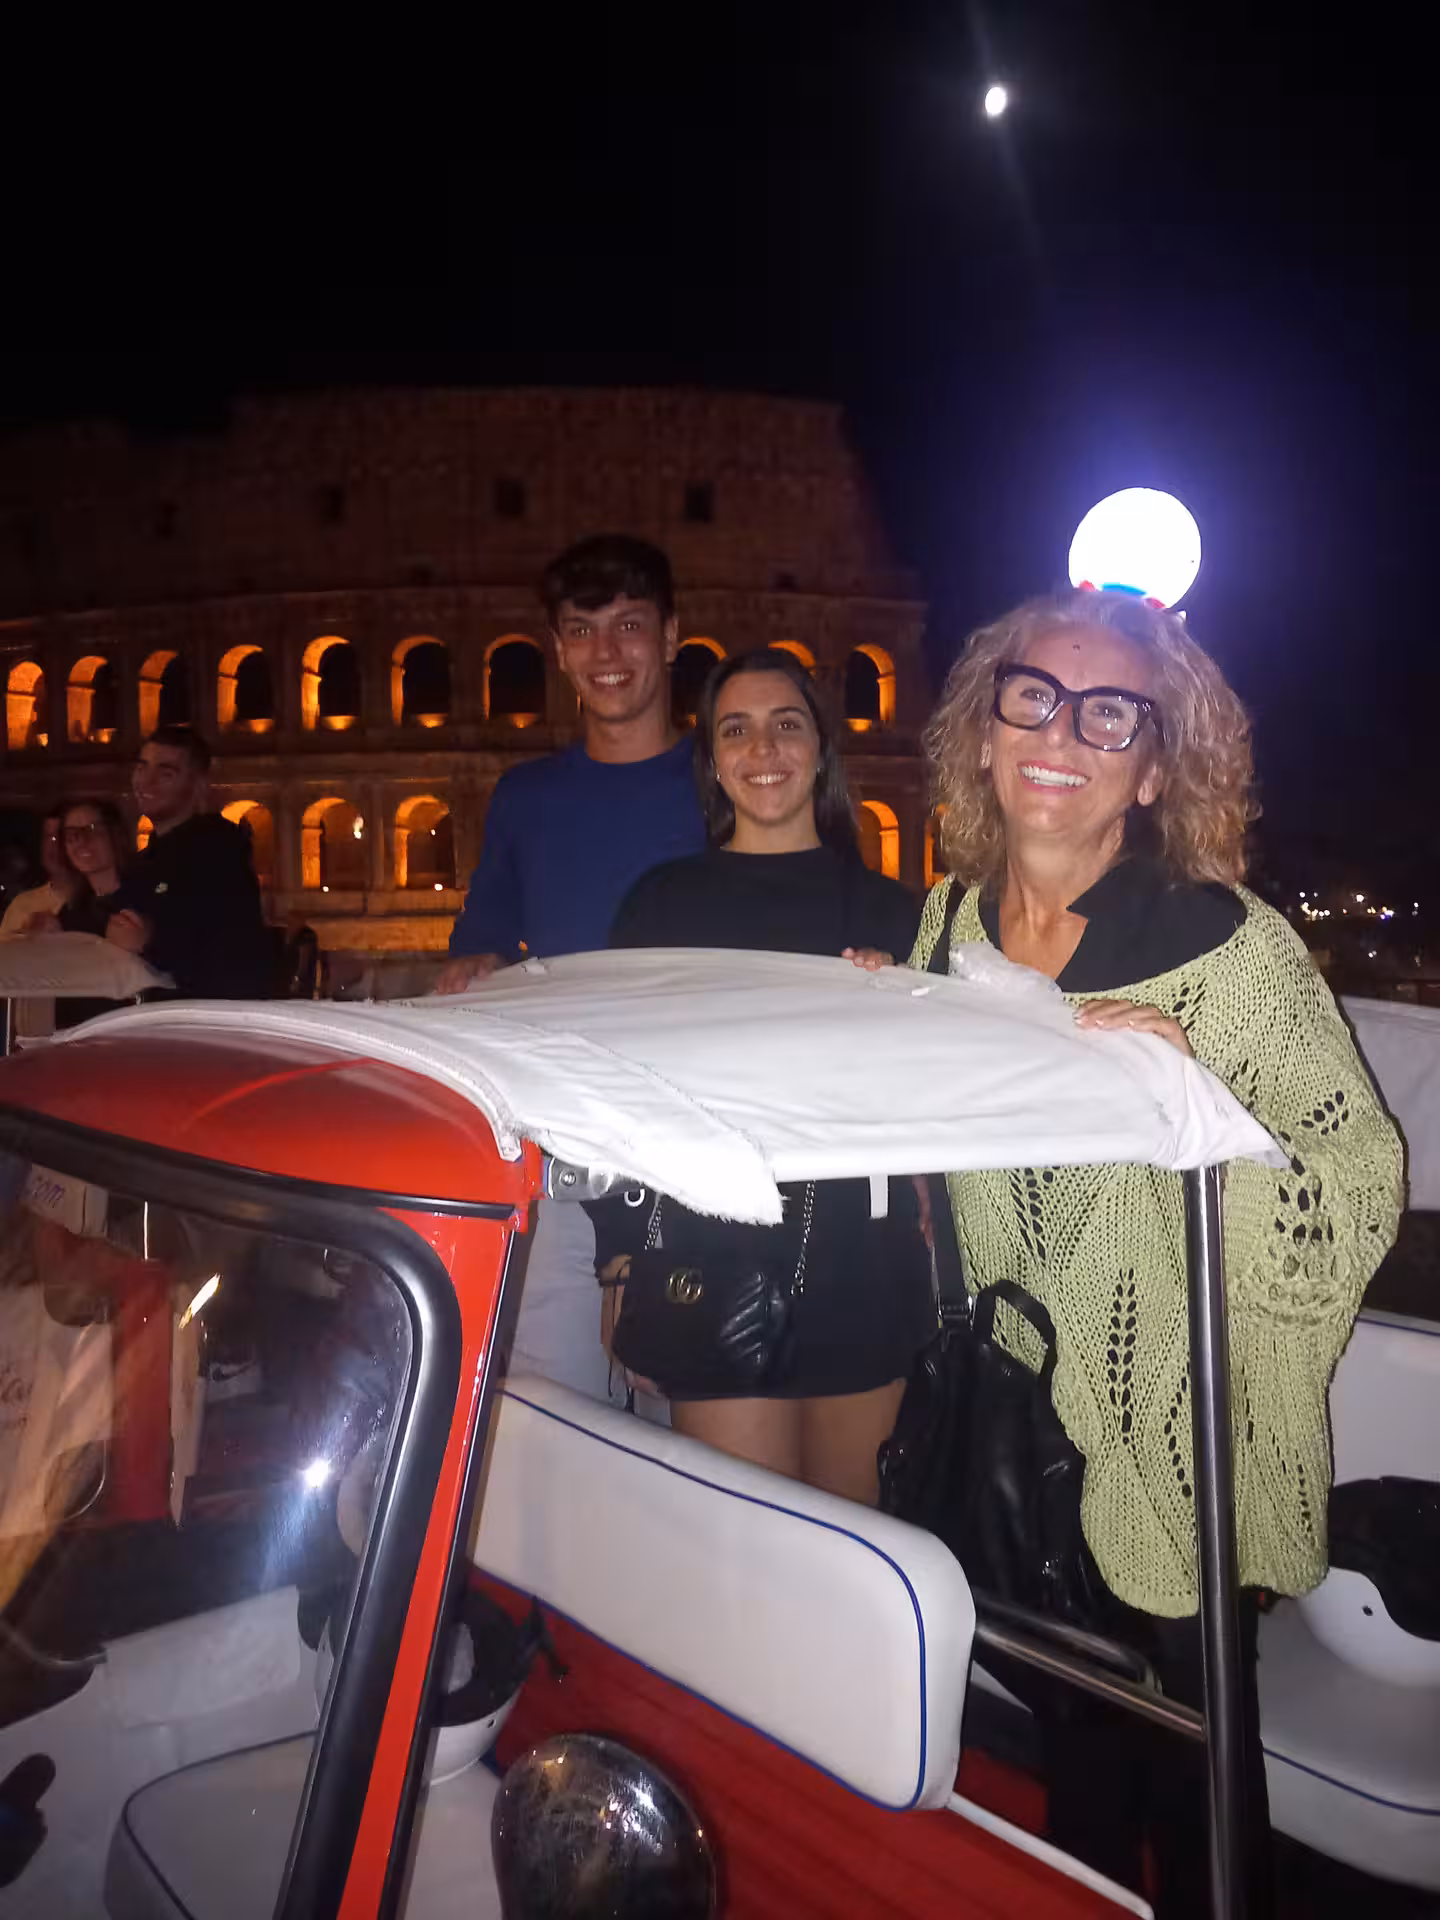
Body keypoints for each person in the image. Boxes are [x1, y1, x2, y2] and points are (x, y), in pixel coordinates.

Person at [912, 588, 1403, 1916]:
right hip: (1011, 1426)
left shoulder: (1225, 949)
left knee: (1194, 1792)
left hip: (1180, 1441)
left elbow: (1356, 1177)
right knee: (1070, 1754)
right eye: (1034, 697)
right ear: (985, 729)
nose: (1060, 733)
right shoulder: (946, 924)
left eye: (1109, 714)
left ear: (1151, 766)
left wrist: (1203, 1111)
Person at [599, 649, 934, 1504]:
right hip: (709, 1253)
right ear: (712, 762)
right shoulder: (660, 905)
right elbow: (619, 1090)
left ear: (820, 748)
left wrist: (902, 1006)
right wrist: (619, 1258)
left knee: (855, 1550)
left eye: (787, 725)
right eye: (736, 731)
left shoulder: (896, 912)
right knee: (741, 1551)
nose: (764, 749)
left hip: (863, 1261)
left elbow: (933, 1097)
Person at [434, 536, 707, 1403]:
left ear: (671, 636)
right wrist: (474, 968)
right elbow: (482, 939)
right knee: (555, 1414)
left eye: (629, 624)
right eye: (582, 631)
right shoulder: (526, 798)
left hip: (697, 1143)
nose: (606, 652)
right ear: (557, 650)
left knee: (683, 1420)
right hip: (565, 1147)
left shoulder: (727, 782)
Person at [104, 725, 275, 999]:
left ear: (198, 786)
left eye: (165, 773)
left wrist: (149, 942)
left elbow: (230, 954)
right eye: (142, 767)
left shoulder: (219, 854)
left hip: (199, 1015)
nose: (146, 782)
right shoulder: (148, 858)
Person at [37, 797, 136, 1029]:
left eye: (92, 830)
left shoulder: (142, 898)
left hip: (126, 1031)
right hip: (74, 1033)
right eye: (72, 834)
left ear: (114, 835)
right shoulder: (71, 909)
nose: (82, 841)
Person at [0, 813, 71, 938]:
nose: (54, 845)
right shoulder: (21, 904)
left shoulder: (95, 904)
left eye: (62, 837)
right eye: (49, 837)